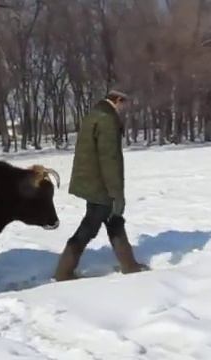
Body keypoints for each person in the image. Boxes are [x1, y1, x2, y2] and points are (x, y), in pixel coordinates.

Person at [54, 88, 149, 281]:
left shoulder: (95, 115)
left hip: (92, 180)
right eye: (125, 103)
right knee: (89, 226)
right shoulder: (107, 119)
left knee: (114, 220)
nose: (125, 108)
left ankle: (129, 265)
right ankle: (64, 272)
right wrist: (116, 193)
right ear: (119, 100)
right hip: (100, 184)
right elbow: (109, 159)